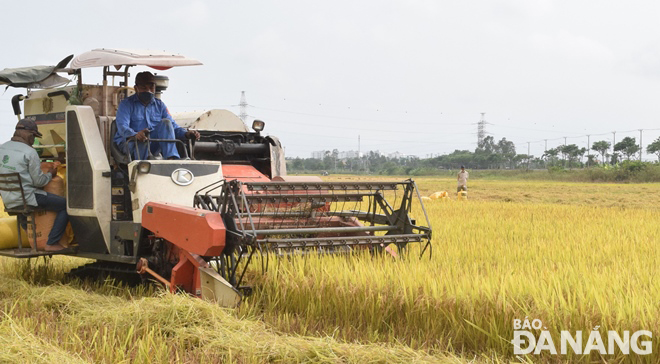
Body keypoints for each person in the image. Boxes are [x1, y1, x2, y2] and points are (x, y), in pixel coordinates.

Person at [0, 119, 68, 252]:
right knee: (65, 206)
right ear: (29, 135)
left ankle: (33, 240)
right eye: (34, 137)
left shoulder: (2, 148)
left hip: (8, 201)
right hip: (27, 199)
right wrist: (50, 174)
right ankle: (52, 243)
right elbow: (39, 182)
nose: (33, 140)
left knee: (23, 207)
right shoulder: (30, 153)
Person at [114, 71, 200, 160]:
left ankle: (171, 159)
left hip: (152, 142)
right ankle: (142, 168)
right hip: (130, 143)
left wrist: (186, 133)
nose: (148, 91)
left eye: (151, 87)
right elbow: (122, 127)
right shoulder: (126, 104)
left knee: (166, 122)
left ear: (155, 88)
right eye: (144, 87)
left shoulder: (160, 105)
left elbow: (172, 127)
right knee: (143, 140)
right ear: (136, 88)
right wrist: (136, 135)